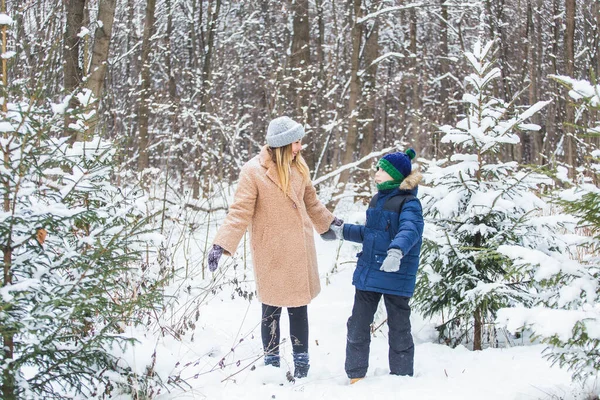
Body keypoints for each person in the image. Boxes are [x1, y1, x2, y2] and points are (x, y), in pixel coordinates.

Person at [207, 116, 342, 379]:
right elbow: (240, 212)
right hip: (271, 251)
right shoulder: (253, 171)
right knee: (270, 311)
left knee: (299, 309)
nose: (300, 147)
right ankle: (271, 368)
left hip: (299, 251)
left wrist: (329, 223)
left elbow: (311, 202)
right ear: (281, 145)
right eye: (296, 142)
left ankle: (302, 367)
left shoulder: (299, 166)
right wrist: (221, 243)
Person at [322, 148, 424, 384]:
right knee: (357, 324)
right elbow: (371, 234)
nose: (376, 173)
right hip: (370, 272)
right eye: (377, 168)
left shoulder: (410, 203)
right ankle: (355, 375)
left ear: (396, 175)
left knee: (399, 328)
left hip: (395, 273)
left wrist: (396, 251)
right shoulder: (378, 200)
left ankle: (401, 377)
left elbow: (410, 230)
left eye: (382, 170)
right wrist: (341, 231)